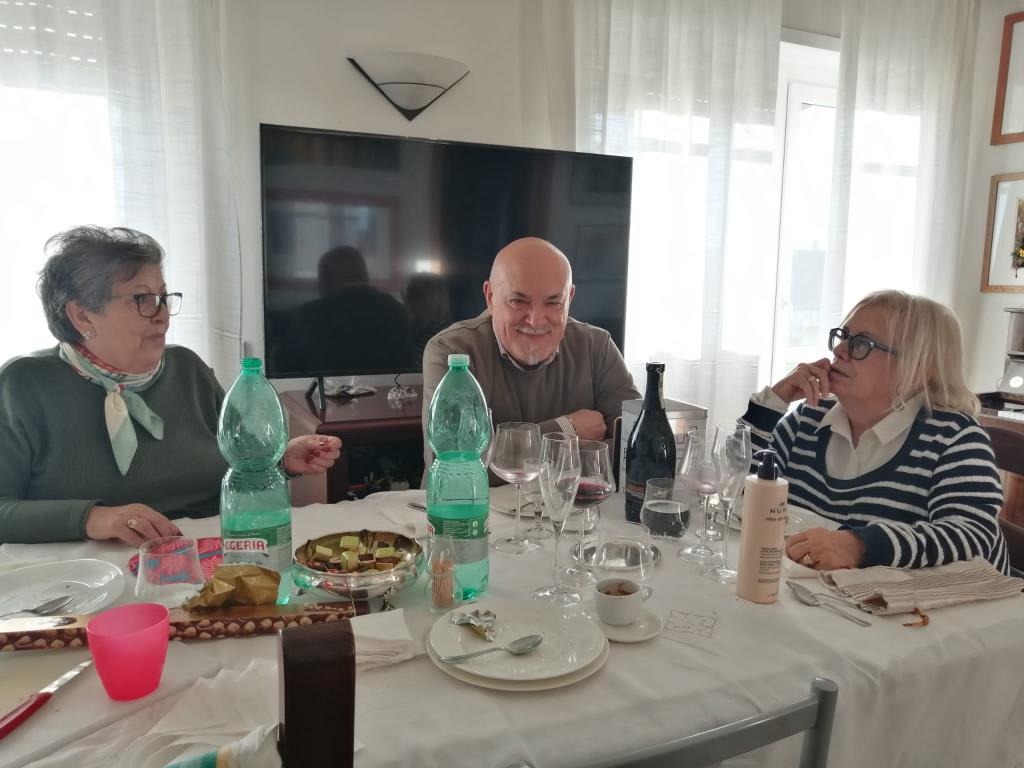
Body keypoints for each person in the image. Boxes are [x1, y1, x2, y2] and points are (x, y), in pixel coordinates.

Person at [0, 226, 341, 546]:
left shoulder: (187, 369)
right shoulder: (23, 385)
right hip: (87, 575)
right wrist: (93, 518)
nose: (162, 314)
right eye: (142, 299)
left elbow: (237, 461)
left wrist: (279, 460)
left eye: (163, 298)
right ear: (82, 315)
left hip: (208, 559)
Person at [741, 290, 1009, 574]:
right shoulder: (810, 417)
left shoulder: (955, 437)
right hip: (826, 594)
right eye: (843, 336)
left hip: (944, 603)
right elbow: (735, 493)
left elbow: (973, 537)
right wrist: (773, 402)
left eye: (861, 344)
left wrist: (860, 546)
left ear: (918, 368)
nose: (839, 350)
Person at [421, 237, 639, 468]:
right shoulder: (452, 351)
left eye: (553, 302)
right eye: (518, 301)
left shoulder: (597, 346)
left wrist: (501, 450)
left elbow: (638, 446)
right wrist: (566, 430)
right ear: (490, 297)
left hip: (568, 494)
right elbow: (453, 463)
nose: (536, 321)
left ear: (569, 298)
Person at [273, 245, 414, 374]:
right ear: (365, 275)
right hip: (388, 393)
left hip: (322, 394)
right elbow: (409, 367)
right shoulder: (396, 310)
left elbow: (283, 369)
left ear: (326, 280)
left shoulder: (307, 316)